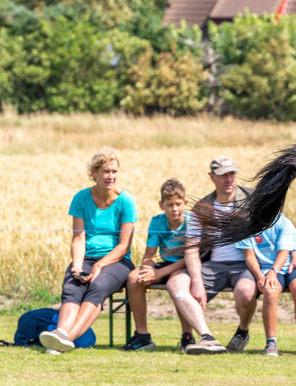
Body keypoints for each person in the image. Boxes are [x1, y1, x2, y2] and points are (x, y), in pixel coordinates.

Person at [40, 147, 137, 354]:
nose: (111, 176)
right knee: (72, 287)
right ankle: (61, 333)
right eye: (106, 171)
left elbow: (123, 245)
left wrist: (100, 266)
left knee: (97, 286)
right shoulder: (81, 198)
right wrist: (76, 266)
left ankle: (66, 339)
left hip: (117, 261)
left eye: (114, 172)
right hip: (86, 257)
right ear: (94, 173)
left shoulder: (126, 201)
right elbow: (78, 237)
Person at [166, 156, 255, 354]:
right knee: (176, 283)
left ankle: (242, 331)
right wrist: (196, 280)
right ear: (212, 177)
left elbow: (279, 227)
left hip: (246, 265)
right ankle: (207, 337)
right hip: (214, 265)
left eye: (232, 174)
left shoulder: (252, 199)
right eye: (223, 175)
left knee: (246, 292)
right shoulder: (203, 207)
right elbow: (191, 246)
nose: (229, 179)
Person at [120, 178, 193, 351]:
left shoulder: (192, 222)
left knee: (177, 283)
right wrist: (148, 268)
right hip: (166, 262)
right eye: (169, 205)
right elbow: (150, 254)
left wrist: (159, 273)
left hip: (186, 265)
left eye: (178, 204)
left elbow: (190, 257)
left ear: (185, 203)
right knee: (134, 278)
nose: (174, 209)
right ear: (161, 205)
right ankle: (142, 336)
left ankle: (187, 336)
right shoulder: (157, 222)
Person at [237, 213, 296, 357]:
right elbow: (249, 256)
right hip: (266, 269)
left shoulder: (283, 223)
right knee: (270, 290)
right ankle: (271, 342)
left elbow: (284, 252)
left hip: (288, 266)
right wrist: (260, 276)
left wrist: (274, 272)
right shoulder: (248, 224)